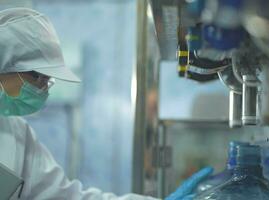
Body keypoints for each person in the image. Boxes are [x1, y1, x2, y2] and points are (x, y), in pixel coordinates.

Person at [0, 7, 213, 200]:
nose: (43, 89)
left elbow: (70, 197)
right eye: (38, 77)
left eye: (48, 80)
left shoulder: (18, 134)